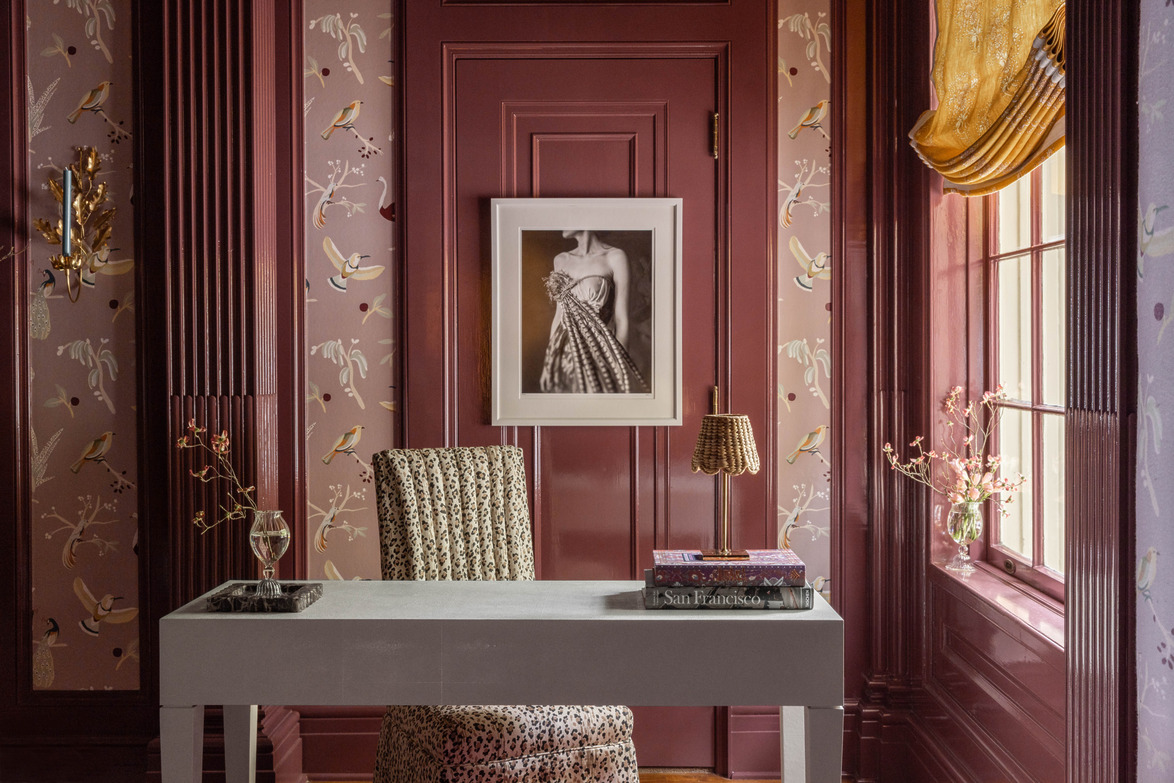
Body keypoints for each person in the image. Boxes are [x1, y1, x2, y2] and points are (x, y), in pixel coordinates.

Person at [539, 230, 649, 394]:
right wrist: (549, 365)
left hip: (600, 350)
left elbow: (621, 319)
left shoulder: (615, 257)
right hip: (565, 353)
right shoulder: (561, 260)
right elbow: (559, 315)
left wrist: (620, 364)